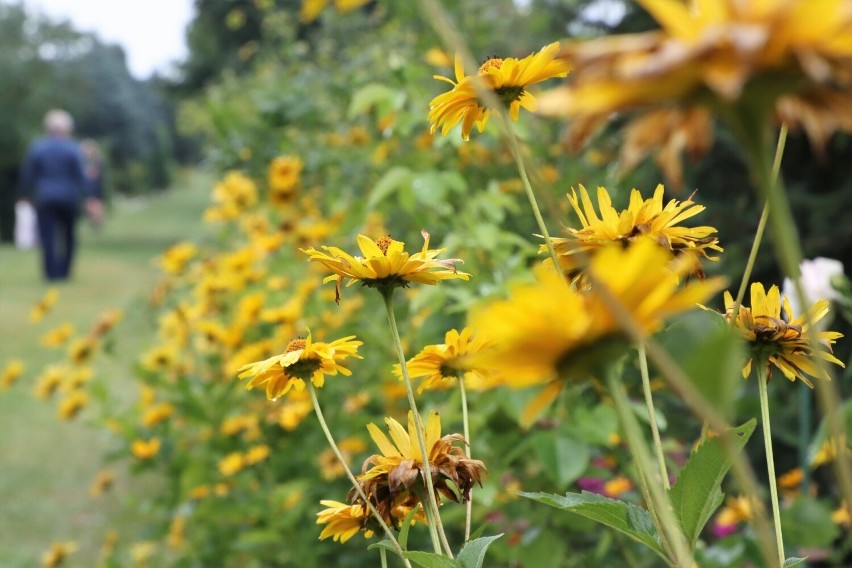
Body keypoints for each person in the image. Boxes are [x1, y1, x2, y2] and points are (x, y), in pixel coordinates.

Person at [17, 110, 101, 281]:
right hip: (69, 197)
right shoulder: (73, 149)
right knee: (68, 235)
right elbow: (80, 176)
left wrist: (25, 195)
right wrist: (90, 196)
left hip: (45, 197)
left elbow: (29, 174)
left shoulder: (38, 148)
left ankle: (50, 273)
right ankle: (65, 272)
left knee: (47, 236)